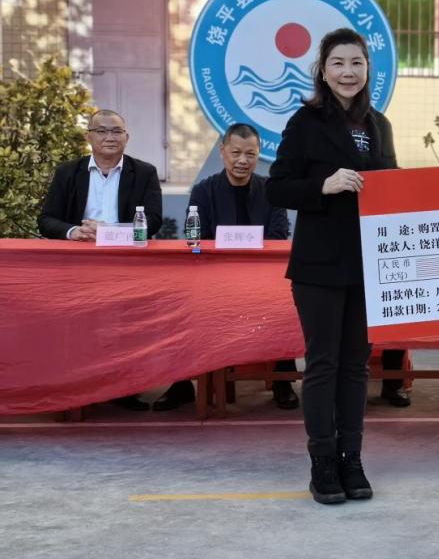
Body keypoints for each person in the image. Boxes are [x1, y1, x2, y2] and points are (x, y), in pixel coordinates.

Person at [267, 28, 398, 505]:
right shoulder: (305, 122)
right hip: (319, 265)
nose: (348, 72)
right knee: (323, 364)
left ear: (368, 70)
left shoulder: (379, 124)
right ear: (323, 71)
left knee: (357, 366)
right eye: (338, 63)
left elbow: (392, 186)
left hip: (368, 264)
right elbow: (277, 186)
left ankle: (352, 458)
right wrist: (323, 185)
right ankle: (322, 461)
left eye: (356, 63)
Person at [153, 122, 298, 412]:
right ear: (222, 152)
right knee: (181, 304)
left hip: (262, 279)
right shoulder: (204, 190)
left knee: (287, 303)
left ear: (258, 155)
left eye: (250, 154)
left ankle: (282, 380)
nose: (242, 160)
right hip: (215, 280)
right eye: (236, 153)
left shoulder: (270, 190)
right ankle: (182, 384)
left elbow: (278, 235)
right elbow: (197, 238)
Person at [37, 109, 163, 412]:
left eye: (116, 131)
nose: (110, 137)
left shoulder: (144, 172)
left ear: (126, 137)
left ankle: (123, 389)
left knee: (124, 330)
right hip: (78, 267)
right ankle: (78, 388)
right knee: (81, 327)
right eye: (102, 131)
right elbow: (46, 220)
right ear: (89, 136)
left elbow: (153, 221)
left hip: (125, 265)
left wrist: (110, 231)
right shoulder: (69, 172)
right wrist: (73, 231)